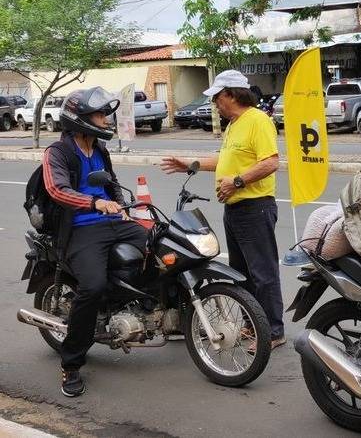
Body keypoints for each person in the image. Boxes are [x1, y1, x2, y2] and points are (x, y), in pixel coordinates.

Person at [161, 70, 285, 349]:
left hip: (255, 207)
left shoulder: (258, 120)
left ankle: (274, 331)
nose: (215, 103)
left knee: (262, 273)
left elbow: (271, 162)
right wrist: (190, 165)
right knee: (241, 273)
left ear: (231, 94)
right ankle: (254, 326)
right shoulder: (234, 125)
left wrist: (237, 181)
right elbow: (224, 159)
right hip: (236, 210)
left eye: (217, 97)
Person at [42, 87, 148, 397]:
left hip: (113, 221)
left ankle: (147, 308)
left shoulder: (100, 151)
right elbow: (56, 189)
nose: (105, 121)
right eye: (100, 115)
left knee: (157, 244)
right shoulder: (57, 153)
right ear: (80, 119)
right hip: (80, 229)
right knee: (92, 286)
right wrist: (94, 204)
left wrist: (125, 209)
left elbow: (112, 185)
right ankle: (71, 363)